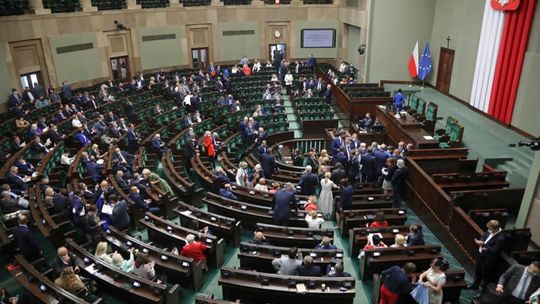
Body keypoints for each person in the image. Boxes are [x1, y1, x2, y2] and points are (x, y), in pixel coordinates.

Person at [469, 219, 507, 291]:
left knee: (485, 277)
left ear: (495, 229)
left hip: (488, 260)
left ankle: (483, 292)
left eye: (490, 229)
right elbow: (484, 236)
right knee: (477, 272)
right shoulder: (490, 231)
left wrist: (484, 244)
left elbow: (495, 250)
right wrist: (481, 240)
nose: (488, 230)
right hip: (480, 255)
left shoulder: (500, 238)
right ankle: (475, 286)